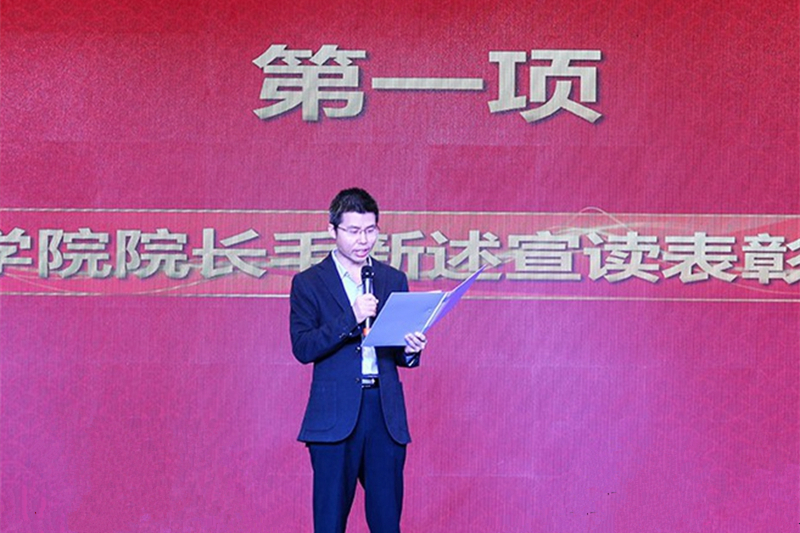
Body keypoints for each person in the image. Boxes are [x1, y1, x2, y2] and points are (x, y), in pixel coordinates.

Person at [290, 188, 427, 533]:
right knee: (330, 523)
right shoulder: (309, 283)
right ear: (332, 230)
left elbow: (397, 350)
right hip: (334, 417)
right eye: (353, 231)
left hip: (383, 412)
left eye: (370, 230)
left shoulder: (392, 279)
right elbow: (303, 347)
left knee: (387, 522)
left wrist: (411, 348)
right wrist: (351, 317)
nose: (363, 240)